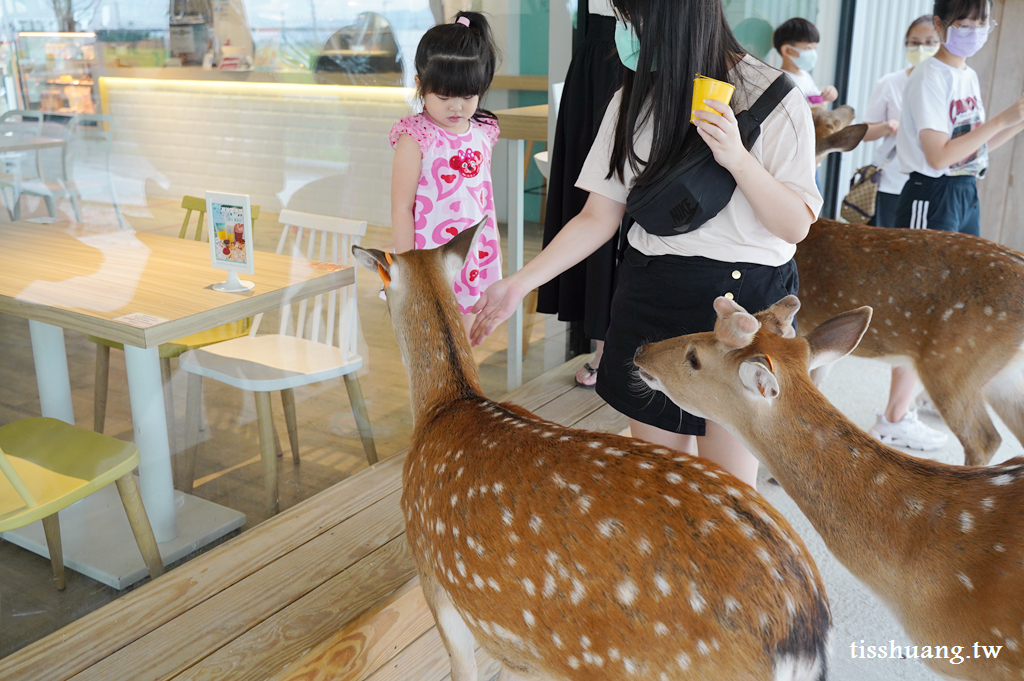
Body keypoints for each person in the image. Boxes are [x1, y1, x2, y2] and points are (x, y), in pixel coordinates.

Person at [470, 0, 821, 488]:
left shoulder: (775, 97)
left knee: (731, 495)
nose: (623, 31)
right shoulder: (632, 98)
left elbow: (795, 226)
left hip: (747, 308)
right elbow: (598, 216)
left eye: (630, 18)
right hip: (655, 293)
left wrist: (738, 159)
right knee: (658, 487)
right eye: (621, 17)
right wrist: (519, 283)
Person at [861, 16, 949, 452]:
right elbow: (866, 129)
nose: (921, 47)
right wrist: (889, 127)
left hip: (938, 191)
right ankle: (897, 413)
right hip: (898, 190)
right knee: (909, 298)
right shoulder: (893, 81)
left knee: (931, 301)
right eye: (914, 42)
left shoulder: (950, 79)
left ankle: (906, 404)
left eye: (929, 41)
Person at [390, 11, 501, 339]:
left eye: (468, 96)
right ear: (420, 87)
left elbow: (482, 200)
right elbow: (400, 208)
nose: (457, 107)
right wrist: (408, 270)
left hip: (474, 256)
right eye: (444, 97)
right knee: (433, 346)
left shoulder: (484, 130)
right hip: (430, 262)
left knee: (465, 347)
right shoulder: (416, 137)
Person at [536, 0, 622, 389]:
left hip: (657, 52)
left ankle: (622, 344)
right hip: (602, 58)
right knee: (598, 195)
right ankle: (604, 346)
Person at [895, 0, 1024, 236]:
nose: (976, 32)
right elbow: (939, 157)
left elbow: (975, 148)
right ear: (939, 24)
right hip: (932, 194)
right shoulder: (930, 77)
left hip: (965, 191)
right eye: (965, 25)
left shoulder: (968, 75)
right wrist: (1002, 120)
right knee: (927, 273)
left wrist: (1019, 121)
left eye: (983, 23)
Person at [773, 17, 838, 110]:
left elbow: (816, 97)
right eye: (808, 48)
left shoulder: (805, 75)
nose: (813, 53)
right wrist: (810, 108)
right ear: (787, 50)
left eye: (814, 48)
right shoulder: (781, 81)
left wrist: (829, 93)